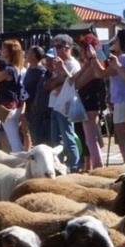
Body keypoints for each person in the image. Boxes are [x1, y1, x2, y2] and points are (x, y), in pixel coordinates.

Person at [45, 34, 82, 171]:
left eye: (59, 47)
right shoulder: (59, 63)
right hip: (55, 104)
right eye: (55, 47)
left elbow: (72, 82)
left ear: (68, 47)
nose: (56, 50)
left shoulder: (73, 63)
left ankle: (74, 165)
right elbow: (52, 83)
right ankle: (58, 163)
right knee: (55, 139)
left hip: (65, 104)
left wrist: (62, 72)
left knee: (68, 137)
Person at [73, 34, 108, 170]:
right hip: (90, 103)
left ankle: (99, 166)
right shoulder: (95, 63)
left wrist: (85, 66)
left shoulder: (94, 65)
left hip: (90, 104)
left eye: (83, 49)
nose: (81, 52)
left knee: (90, 139)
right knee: (91, 138)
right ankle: (97, 165)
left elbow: (77, 83)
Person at [104, 29, 125, 161]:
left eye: (117, 40)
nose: (114, 43)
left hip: (122, 103)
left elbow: (101, 73)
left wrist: (94, 57)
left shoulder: (122, 58)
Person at [22, 46, 50, 145]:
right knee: (33, 135)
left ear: (34, 55)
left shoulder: (41, 71)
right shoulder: (30, 69)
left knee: (39, 137)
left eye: (28, 52)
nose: (26, 54)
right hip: (28, 108)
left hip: (37, 109)